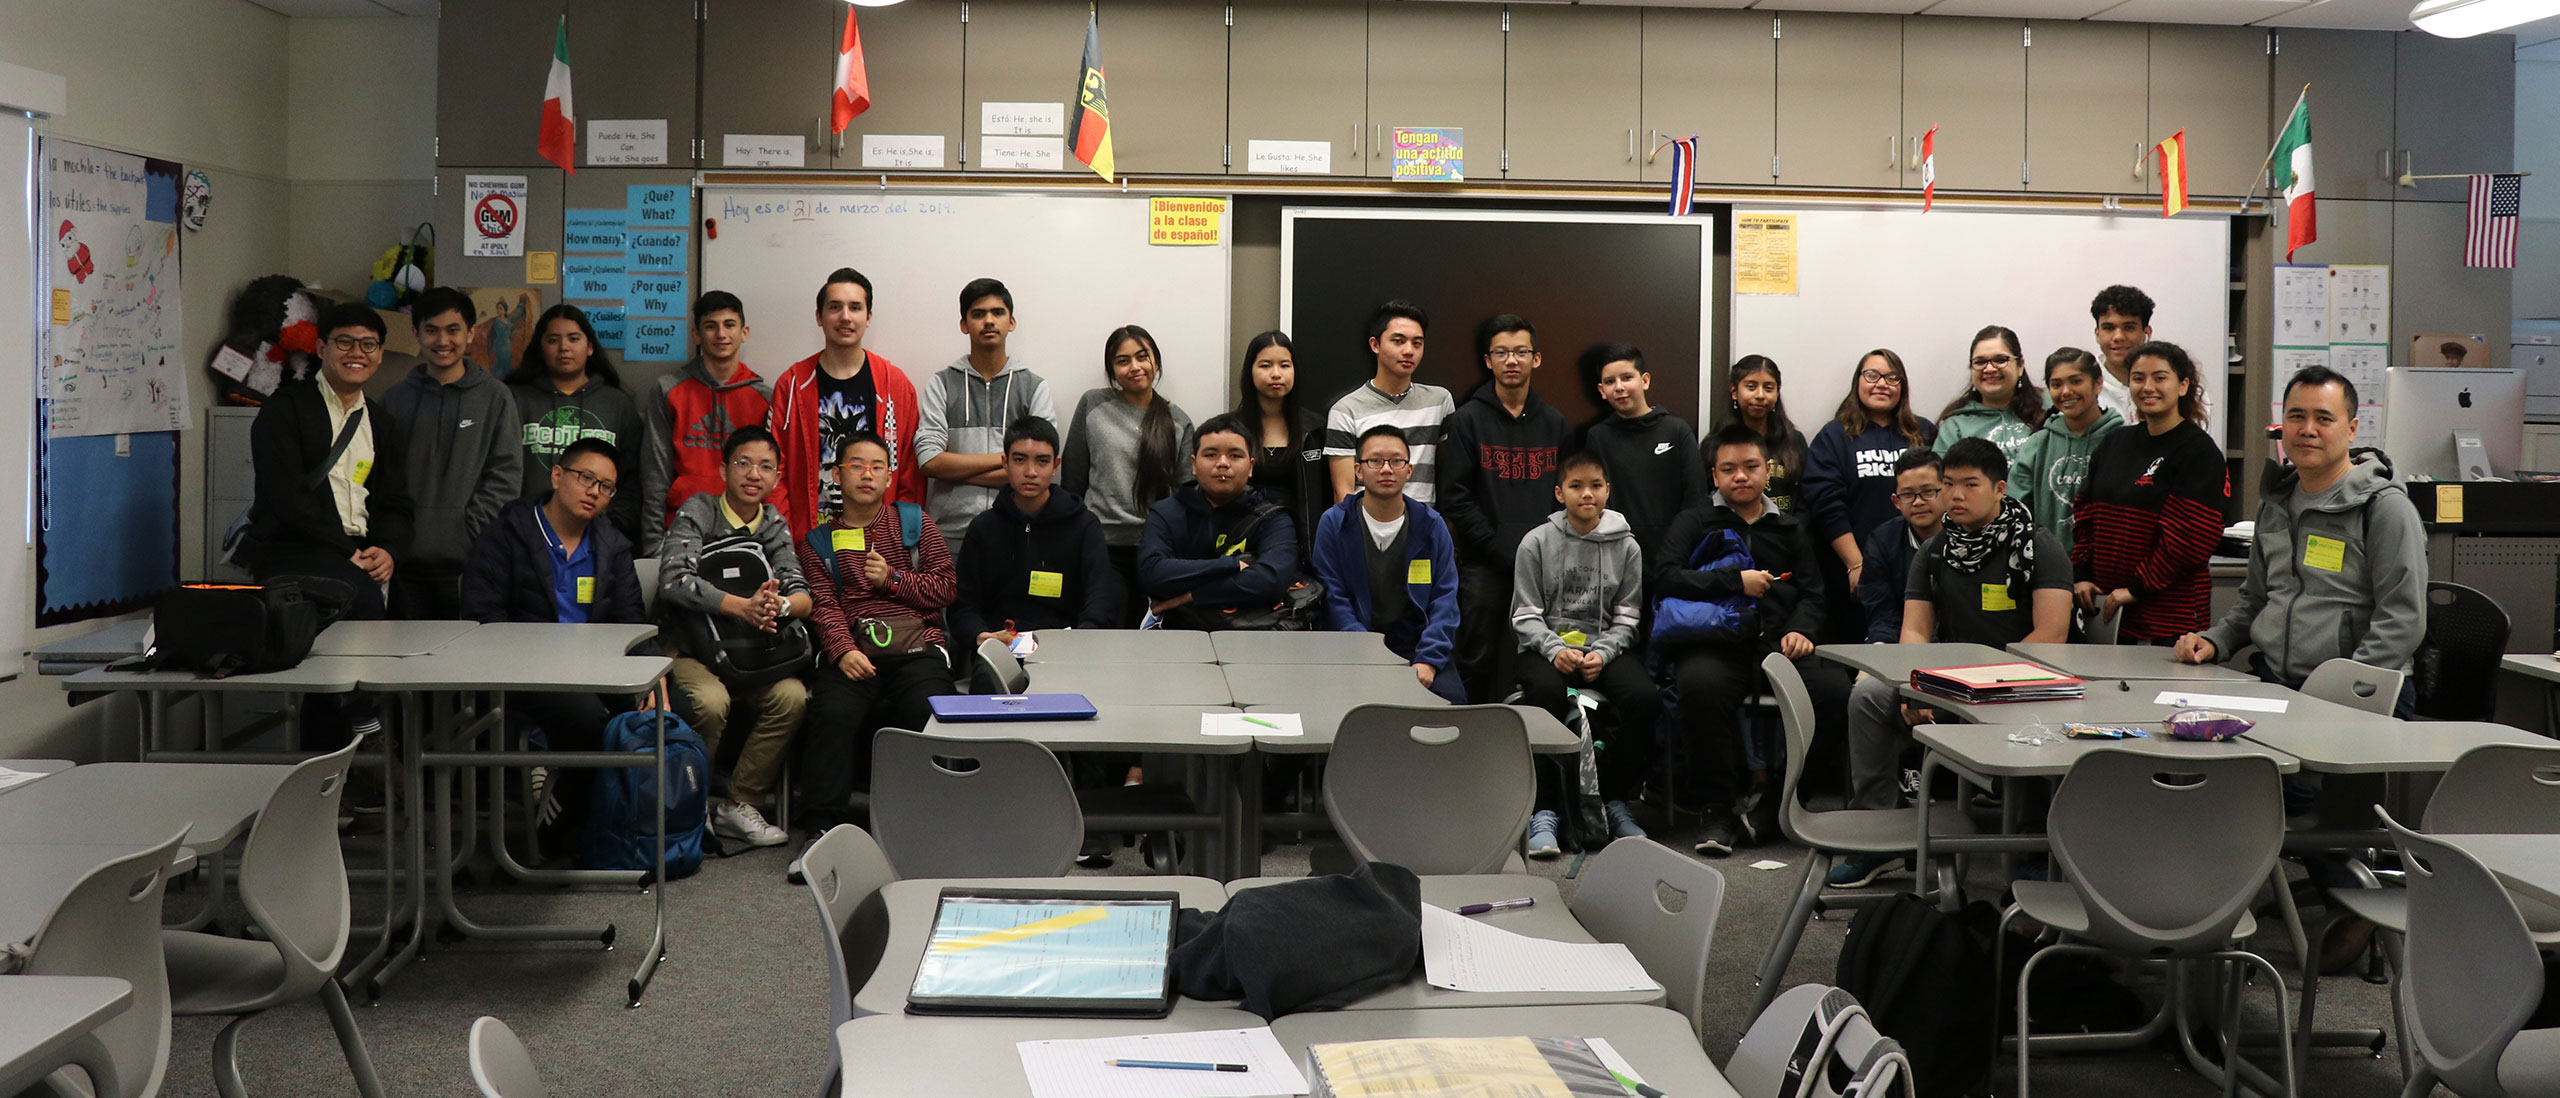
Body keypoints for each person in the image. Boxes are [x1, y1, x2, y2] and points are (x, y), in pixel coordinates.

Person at [1831, 437, 2072, 886]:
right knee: (1868, 695)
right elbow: (1916, 632)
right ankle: (1877, 833)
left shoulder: (2039, 547)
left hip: (2028, 685)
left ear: (2000, 489)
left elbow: (2051, 638)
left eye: (1970, 485)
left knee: (2036, 718)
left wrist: (1978, 684)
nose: (1955, 496)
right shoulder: (1936, 550)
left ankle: (2034, 845)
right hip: (1952, 683)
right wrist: (1914, 686)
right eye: (1948, 485)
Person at [1653, 424, 1849, 856]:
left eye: (1750, 467)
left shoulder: (1791, 526)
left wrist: (1803, 630)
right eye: (1729, 469)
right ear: (1715, 475)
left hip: (1780, 644)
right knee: (1699, 687)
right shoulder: (1694, 519)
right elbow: (1665, 578)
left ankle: (1783, 803)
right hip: (1715, 641)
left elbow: (1815, 594)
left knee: (1836, 693)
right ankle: (1716, 811)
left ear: (1767, 470)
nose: (1740, 477)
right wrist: (1732, 581)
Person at [2179, 365, 2426, 707]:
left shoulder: (2384, 508)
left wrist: (2343, 684)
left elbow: (2403, 619)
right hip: (2275, 682)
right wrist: (2215, 640)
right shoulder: (2277, 502)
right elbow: (2256, 599)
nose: (2307, 430)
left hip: (2362, 691)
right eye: (2296, 416)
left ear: (2351, 430)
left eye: (2324, 419)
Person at [459, 437, 652, 844]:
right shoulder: (506, 535)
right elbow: (482, 619)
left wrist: (655, 676)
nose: (594, 492)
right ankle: (560, 830)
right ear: (558, 474)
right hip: (520, 673)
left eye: (605, 487)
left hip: (596, 670)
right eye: (586, 478)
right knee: (587, 719)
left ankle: (632, 827)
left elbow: (631, 621)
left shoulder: (611, 544)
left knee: (668, 709)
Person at [245, 302, 414, 752]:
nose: (356, 352)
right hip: (296, 549)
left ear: (379, 355)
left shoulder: (383, 422)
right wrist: (346, 551)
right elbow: (286, 498)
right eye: (344, 342)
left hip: (360, 554)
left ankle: (355, 766)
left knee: (399, 617)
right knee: (349, 604)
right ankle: (364, 724)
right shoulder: (285, 410)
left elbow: (396, 501)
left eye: (368, 344)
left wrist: (390, 549)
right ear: (321, 348)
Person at [790, 431, 959, 863]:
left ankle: (936, 824)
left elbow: (945, 589)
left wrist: (893, 580)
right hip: (853, 650)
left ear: (888, 478)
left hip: (916, 647)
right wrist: (844, 651)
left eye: (877, 467)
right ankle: (822, 829)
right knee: (833, 713)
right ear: (837, 474)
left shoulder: (915, 523)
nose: (867, 474)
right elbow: (824, 606)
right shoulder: (818, 542)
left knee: (929, 709)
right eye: (856, 465)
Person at [653, 425, 811, 850]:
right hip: (691, 649)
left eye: (765, 466)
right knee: (710, 702)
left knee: (792, 697)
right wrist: (740, 605)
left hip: (752, 652)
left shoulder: (773, 521)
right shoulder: (701, 510)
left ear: (777, 477)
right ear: (724, 469)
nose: (753, 474)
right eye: (743, 463)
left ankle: (740, 804)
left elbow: (802, 595)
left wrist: (774, 607)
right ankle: (693, 803)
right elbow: (673, 581)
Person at [1511, 452, 1657, 856]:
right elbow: (1524, 615)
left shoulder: (1627, 547)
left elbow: (1628, 617)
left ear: (1608, 490)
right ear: (1560, 493)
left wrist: (1604, 654)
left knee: (1643, 697)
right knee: (1545, 696)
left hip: (1601, 650)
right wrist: (1554, 649)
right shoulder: (1535, 542)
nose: (1587, 494)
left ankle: (1616, 802)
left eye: (1595, 485)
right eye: (1576, 486)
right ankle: (1544, 810)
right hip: (1545, 649)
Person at [1438, 314, 1569, 709]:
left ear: (1537, 359)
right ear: (1488, 360)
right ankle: (1469, 744)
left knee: (1541, 661)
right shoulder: (1466, 421)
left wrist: (1537, 553)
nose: (1511, 361)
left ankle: (1535, 751)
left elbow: (1564, 496)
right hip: (1483, 567)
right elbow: (1455, 496)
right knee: (1475, 660)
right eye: (1502, 353)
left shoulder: (1556, 424)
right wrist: (1497, 548)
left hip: (1545, 568)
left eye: (1521, 352)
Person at [2069, 341, 2229, 643]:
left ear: (2183, 386)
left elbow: (2190, 540)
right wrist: (2083, 574)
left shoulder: (2198, 452)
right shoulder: (2114, 443)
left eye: (2160, 377)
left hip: (2167, 622)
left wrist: (2136, 589)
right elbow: (2085, 515)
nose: (2147, 387)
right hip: (2105, 613)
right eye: (2138, 378)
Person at [380, 286, 519, 620]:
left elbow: (505, 477)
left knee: (464, 665)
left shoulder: (496, 398)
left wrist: (467, 532)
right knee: (403, 664)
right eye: (431, 330)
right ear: (416, 334)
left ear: (471, 334)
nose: (443, 341)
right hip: (402, 566)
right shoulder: (393, 399)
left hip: (468, 566)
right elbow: (381, 477)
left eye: (453, 330)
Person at [1313, 426, 1465, 703]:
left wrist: (1428, 660)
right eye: (1375, 461)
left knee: (1450, 704)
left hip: (1417, 647)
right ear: (1358, 470)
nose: (1386, 469)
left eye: (1396, 461)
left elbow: (1445, 599)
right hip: (1354, 647)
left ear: (1409, 470)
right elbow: (1333, 598)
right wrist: (1369, 654)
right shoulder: (1335, 523)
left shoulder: (1430, 525)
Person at [769, 267, 926, 534]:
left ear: (868, 317)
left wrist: (898, 537)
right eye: (835, 307)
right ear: (819, 317)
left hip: (880, 546)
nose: (845, 317)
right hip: (808, 542)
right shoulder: (792, 384)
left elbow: (910, 474)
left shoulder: (894, 385)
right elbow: (775, 468)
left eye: (855, 307)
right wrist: (786, 539)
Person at [1062, 325, 1193, 626]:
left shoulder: (1178, 421)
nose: (1134, 367)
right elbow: (1073, 480)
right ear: (1111, 370)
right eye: (1123, 361)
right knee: (1109, 628)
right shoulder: (1093, 405)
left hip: (1157, 550)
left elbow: (1186, 495)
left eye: (1142, 357)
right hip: (1101, 546)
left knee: (1148, 633)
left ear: (1155, 362)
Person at [916, 278, 1057, 553]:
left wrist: (955, 472)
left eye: (998, 313)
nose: (989, 321)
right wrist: (1009, 463)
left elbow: (1040, 468)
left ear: (1011, 322)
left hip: (1016, 528)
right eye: (978, 314)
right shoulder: (941, 383)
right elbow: (929, 460)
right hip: (949, 536)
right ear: (964, 324)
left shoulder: (1034, 387)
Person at [1801, 349, 1932, 643]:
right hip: (1854, 570)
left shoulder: (1923, 432)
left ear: (1903, 386)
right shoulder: (1834, 436)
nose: (1881, 384)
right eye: (1872, 375)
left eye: (1891, 377)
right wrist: (1857, 564)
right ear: (1857, 382)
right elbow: (1827, 505)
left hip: (1918, 569)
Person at [953, 416, 1118, 647]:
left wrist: (1082, 639)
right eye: (1020, 460)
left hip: (1065, 647)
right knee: (990, 683)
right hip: (1000, 645)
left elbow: (1101, 598)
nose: (1030, 472)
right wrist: (980, 635)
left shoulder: (1084, 525)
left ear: (1055, 467)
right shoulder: (984, 527)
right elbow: (963, 605)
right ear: (1005, 463)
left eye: (1042, 461)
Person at [639, 290, 772, 556]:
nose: (721, 334)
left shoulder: (765, 397)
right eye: (711, 326)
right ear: (696, 335)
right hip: (678, 529)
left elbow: (770, 476)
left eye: (729, 325)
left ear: (744, 332)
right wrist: (653, 543)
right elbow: (655, 473)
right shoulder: (669, 389)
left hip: (743, 533)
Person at [1137, 415, 1304, 626]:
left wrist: (1191, 596)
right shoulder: (1165, 512)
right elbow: (1152, 574)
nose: (1223, 463)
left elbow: (1271, 581)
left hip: (1251, 638)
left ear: (1251, 466)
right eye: (1211, 454)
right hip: (1179, 636)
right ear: (1194, 464)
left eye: (1235, 455)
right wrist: (1231, 564)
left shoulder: (1273, 518)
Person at [509, 303, 644, 544]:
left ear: (590, 347)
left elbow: (632, 478)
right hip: (524, 535)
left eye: (573, 339)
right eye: (553, 340)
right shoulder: (514, 399)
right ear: (540, 347)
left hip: (599, 537)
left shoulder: (617, 403)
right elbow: (500, 471)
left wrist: (613, 525)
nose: (564, 348)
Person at [1577, 343, 1709, 571]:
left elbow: (1695, 498)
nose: (1619, 387)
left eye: (1627, 377)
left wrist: (1680, 550)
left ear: (1645, 380)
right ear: (1601, 390)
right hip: (1616, 559)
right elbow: (1596, 501)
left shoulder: (1676, 430)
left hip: (1674, 559)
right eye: (1610, 381)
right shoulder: (1598, 437)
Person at [1324, 300, 1455, 506]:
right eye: (1398, 341)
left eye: (1417, 343)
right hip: (1367, 524)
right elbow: (1344, 494)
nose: (1409, 351)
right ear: (1375, 345)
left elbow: (1450, 476)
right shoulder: (1346, 410)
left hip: (1423, 524)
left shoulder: (1439, 402)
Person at [2009, 348, 2124, 559]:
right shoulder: (2038, 444)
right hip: (2048, 568)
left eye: (2076, 381)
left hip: (2106, 568)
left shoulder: (2123, 440)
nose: (2066, 391)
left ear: (2098, 384)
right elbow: (2017, 511)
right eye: (2056, 384)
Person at [1233, 330, 1328, 562]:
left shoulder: (1315, 429)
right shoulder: (1230, 430)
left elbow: (1326, 495)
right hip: (1243, 542)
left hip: (1303, 545)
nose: (1276, 374)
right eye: (1265, 366)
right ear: (1250, 371)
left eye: (1285, 365)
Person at [1857, 449, 1949, 644]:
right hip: (1899, 643)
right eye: (1908, 495)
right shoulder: (1882, 541)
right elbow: (1881, 612)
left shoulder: (1967, 537)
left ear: (1947, 490)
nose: (1918, 502)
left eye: (1928, 492)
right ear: (1896, 501)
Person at [1935, 325, 2046, 462]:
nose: (1989, 369)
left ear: (2020, 366)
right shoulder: (1955, 426)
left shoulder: (2050, 406)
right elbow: (1945, 479)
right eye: (1980, 362)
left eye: (2000, 360)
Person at [1719, 355, 1809, 514]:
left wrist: (1796, 531)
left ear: (1777, 394)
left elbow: (1806, 497)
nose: (1760, 395)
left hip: (1787, 533)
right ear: (1734, 391)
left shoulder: (1794, 441)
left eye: (1768, 388)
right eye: (1751, 387)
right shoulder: (1718, 442)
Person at [2089, 284, 2155, 422]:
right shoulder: (2082, 386)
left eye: (2129, 327)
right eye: (2109, 328)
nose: (2118, 337)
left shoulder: (2175, 386)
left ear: (2146, 332)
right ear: (2097, 334)